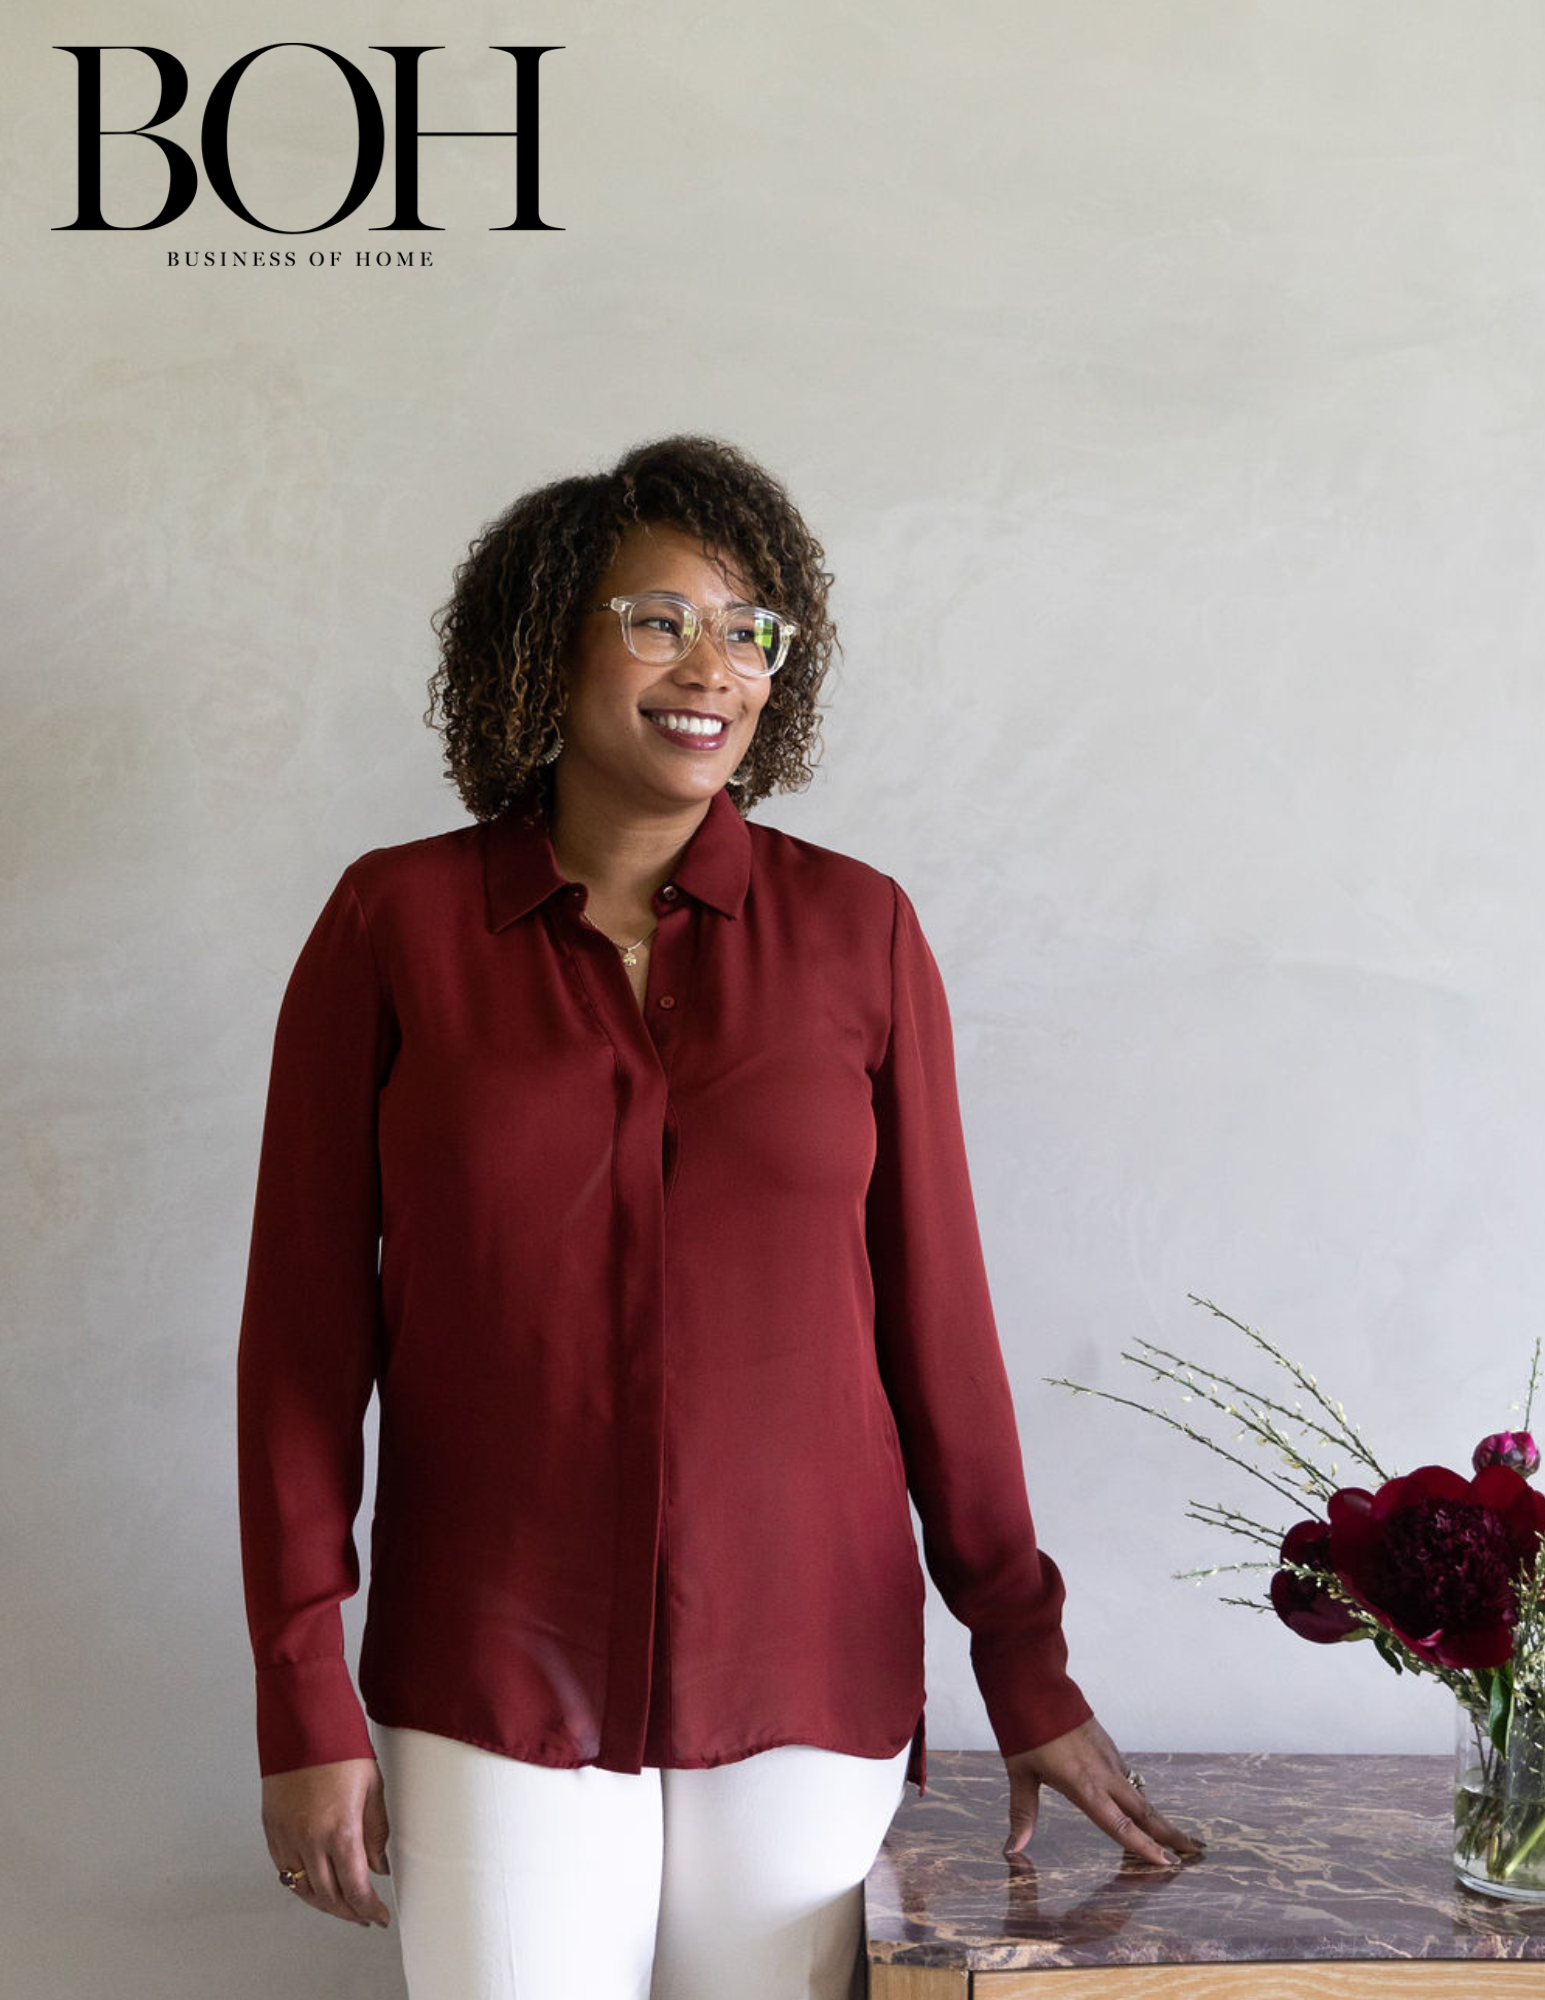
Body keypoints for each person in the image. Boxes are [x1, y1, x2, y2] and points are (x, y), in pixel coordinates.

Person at [236, 434, 1199, 2000]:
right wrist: (299, 1691)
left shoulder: (859, 931)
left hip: (806, 1653)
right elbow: (299, 1345)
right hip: (494, 1651)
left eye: (751, 631)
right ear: (546, 643)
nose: (715, 669)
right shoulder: (392, 924)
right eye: (660, 620)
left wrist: (1022, 1660)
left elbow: (938, 1326)